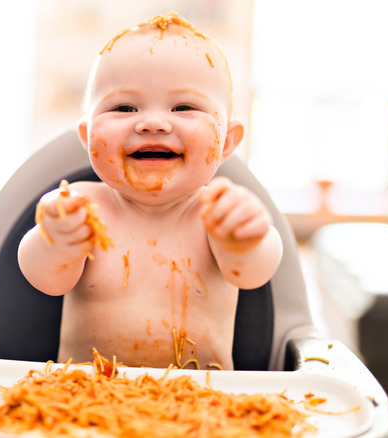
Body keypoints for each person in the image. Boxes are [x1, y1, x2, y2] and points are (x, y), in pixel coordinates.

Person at [18, 13, 282, 371]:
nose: (153, 122)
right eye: (124, 107)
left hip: (201, 407)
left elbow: (253, 272)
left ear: (227, 142)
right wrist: (56, 240)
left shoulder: (217, 216)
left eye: (184, 107)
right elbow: (45, 279)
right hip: (84, 403)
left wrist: (246, 237)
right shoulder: (81, 207)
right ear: (87, 136)